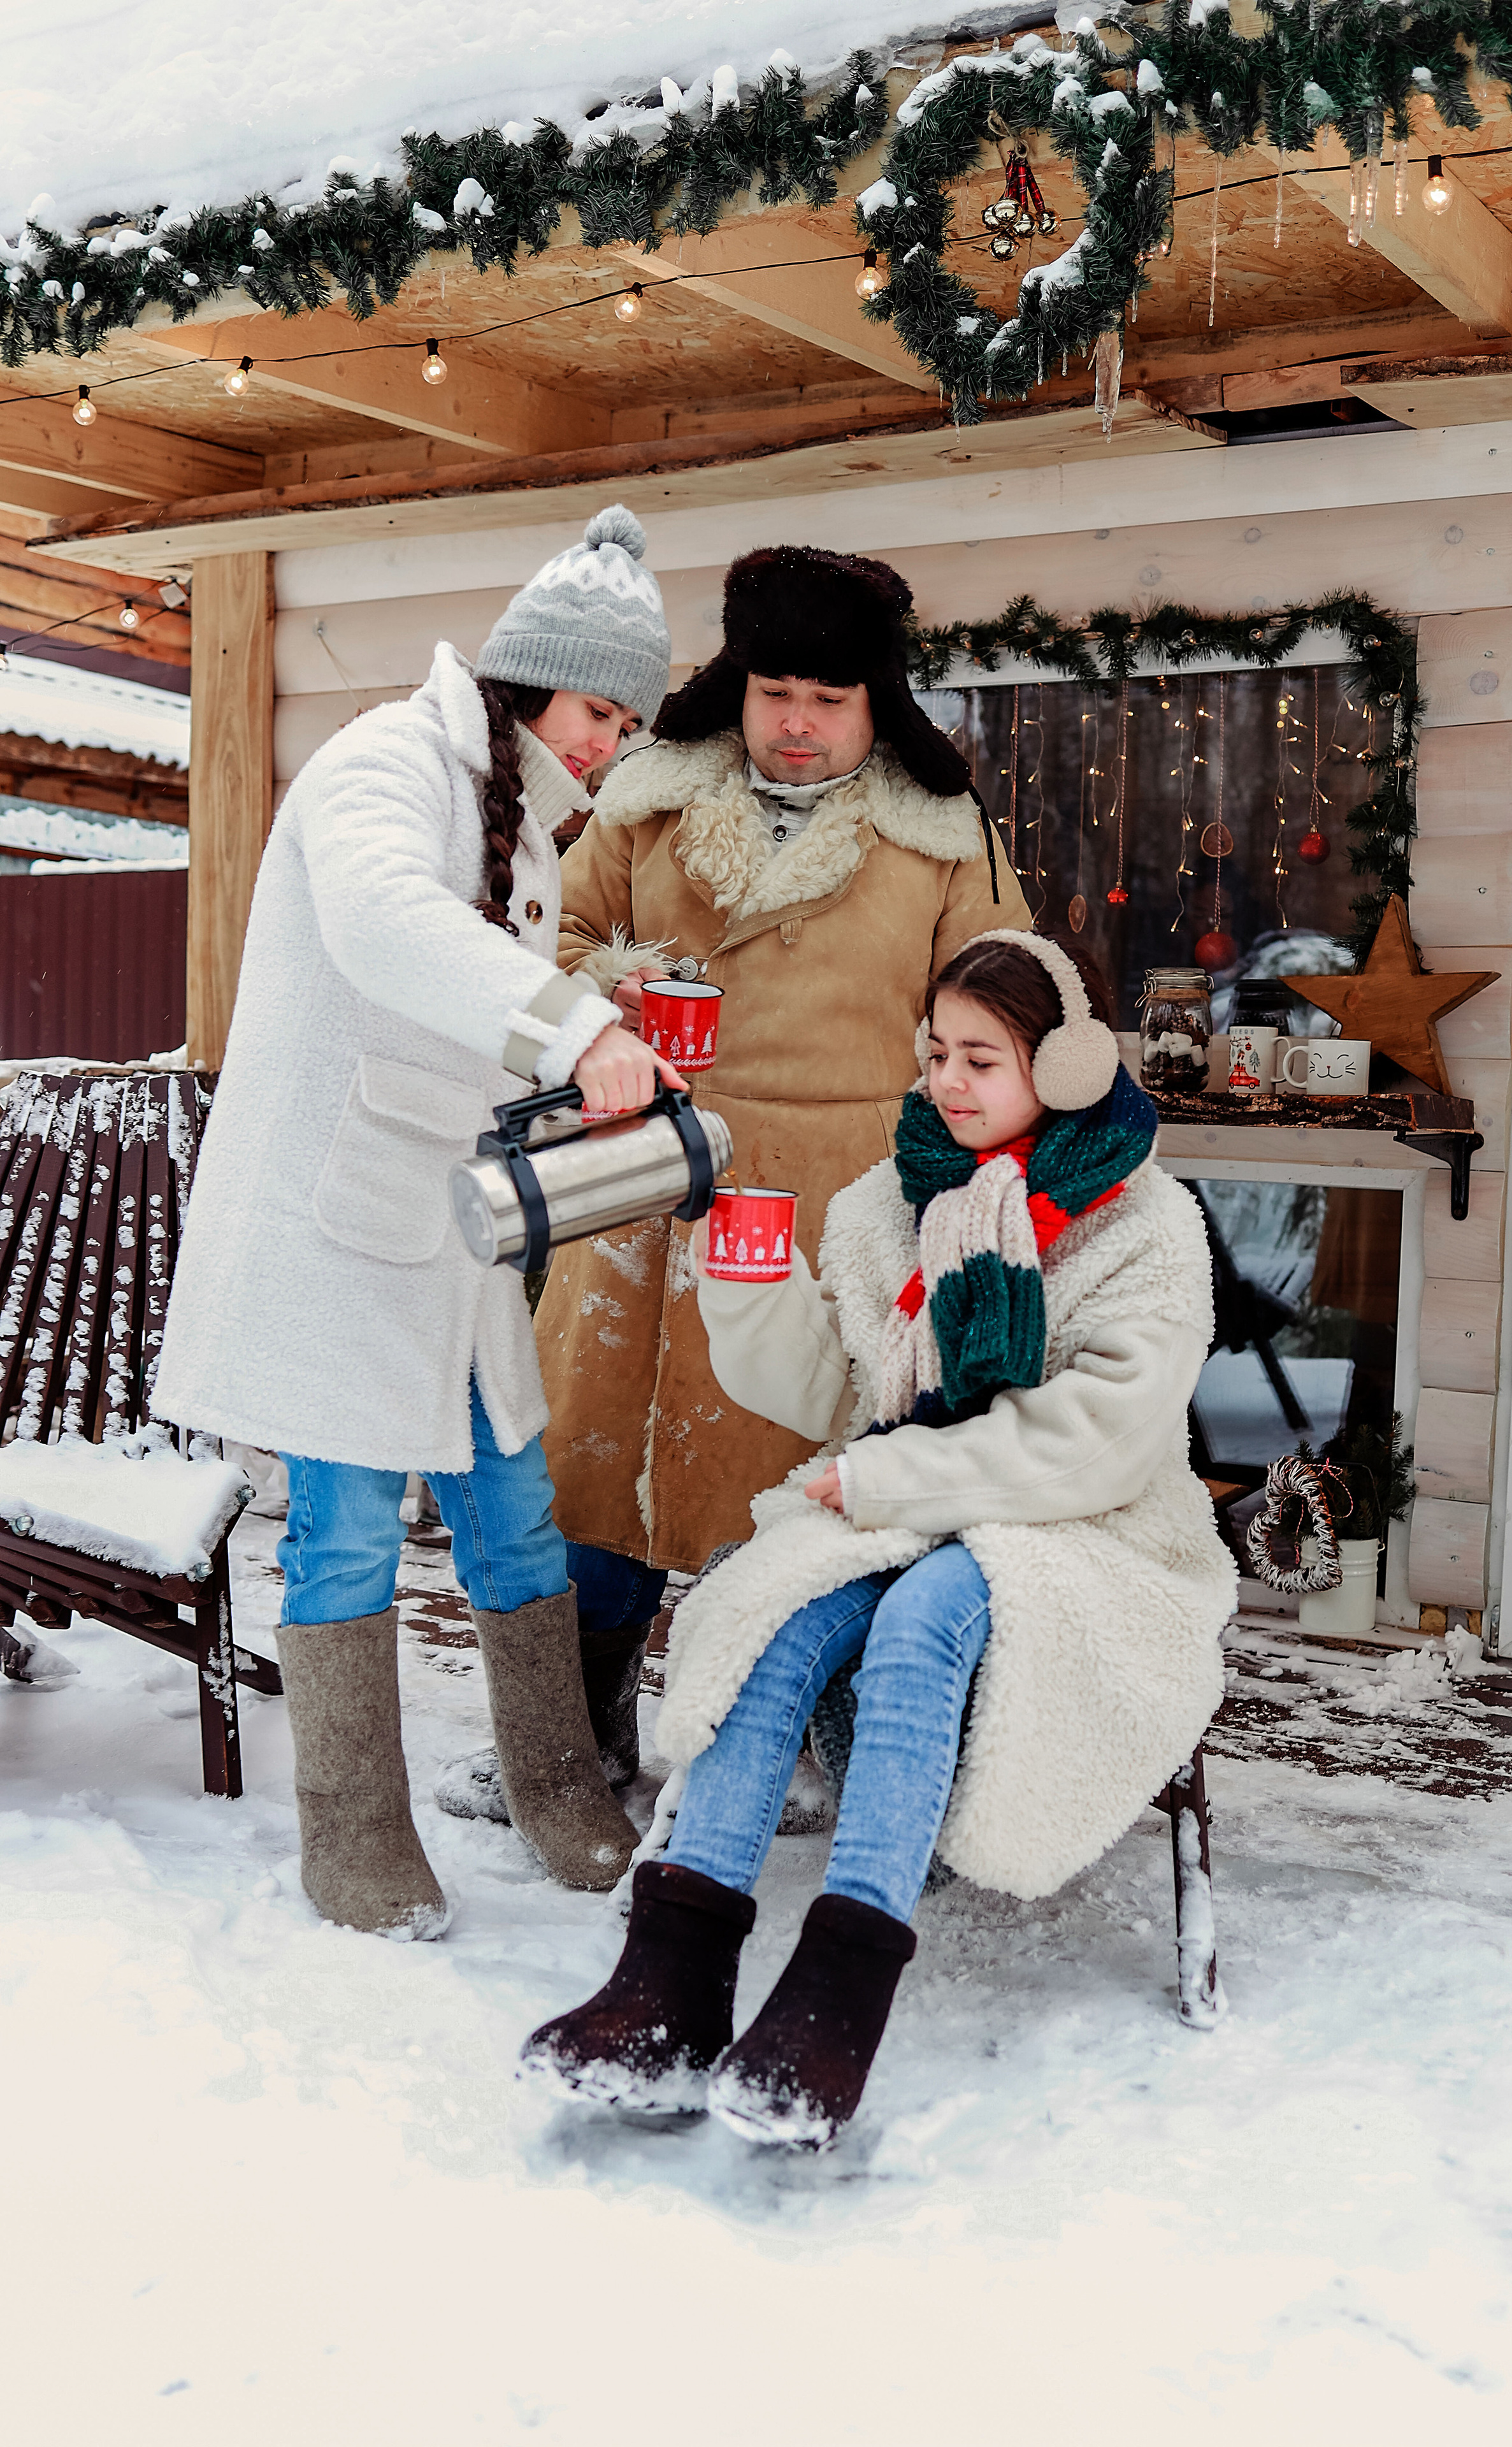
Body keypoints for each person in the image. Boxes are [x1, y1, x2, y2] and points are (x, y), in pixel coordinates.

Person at [521, 932, 1238, 2144]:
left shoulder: (1144, 1224)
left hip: (1091, 1531)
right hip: (908, 1504)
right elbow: (833, 1390)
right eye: (936, 1053)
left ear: (1064, 1066)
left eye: (981, 1060)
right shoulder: (885, 1205)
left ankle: (838, 1996)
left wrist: (886, 1476)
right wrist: (746, 1285)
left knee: (923, 1617)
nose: (947, 1081)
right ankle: (672, 1982)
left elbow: (1101, 1445)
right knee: (779, 1614)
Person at [154, 505, 682, 1936]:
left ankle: (555, 1786)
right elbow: (386, 924)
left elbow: (460, 1013)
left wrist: (584, 1041)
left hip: (450, 1231)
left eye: (625, 722)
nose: (606, 744)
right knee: (345, 1534)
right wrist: (573, 1026)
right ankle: (354, 1833)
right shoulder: (386, 760)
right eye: (597, 711)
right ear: (531, 682)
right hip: (343, 1228)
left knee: (517, 1510)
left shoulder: (523, 820)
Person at [481, 544, 1033, 1801]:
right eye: (774, 690)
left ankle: (770, 1748)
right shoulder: (643, 801)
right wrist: (610, 997)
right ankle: (574, 1747)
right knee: (595, 1470)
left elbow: (1000, 1014)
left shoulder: (947, 838)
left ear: (875, 703)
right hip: (636, 1183)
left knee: (790, 1481)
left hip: (831, 1207)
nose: (796, 721)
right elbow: (547, 942)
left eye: (829, 700)